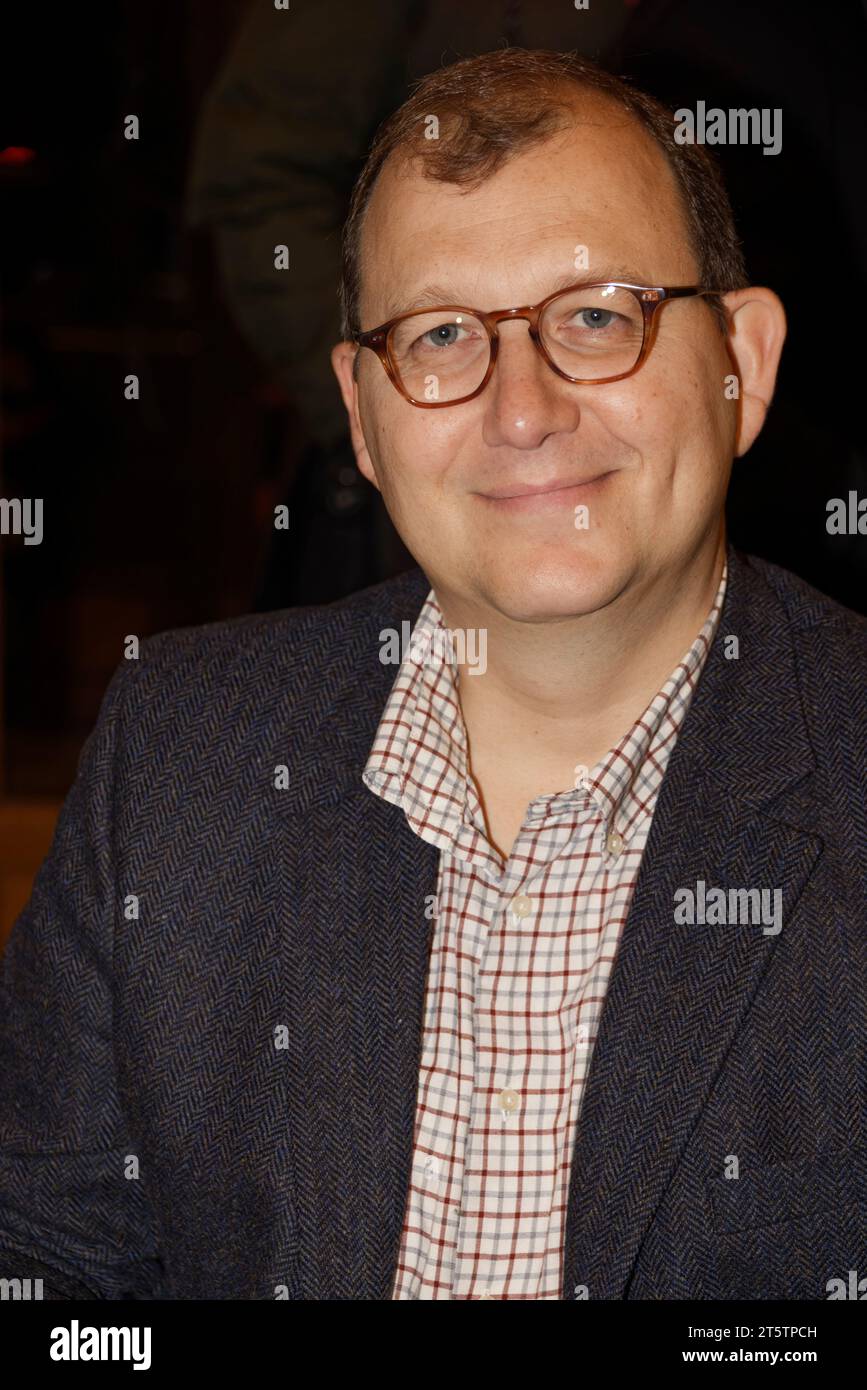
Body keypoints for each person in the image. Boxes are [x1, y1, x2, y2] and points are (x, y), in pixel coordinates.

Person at [1, 48, 865, 1302]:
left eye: (596, 316)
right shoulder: (178, 751)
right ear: (361, 411)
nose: (523, 410)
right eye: (444, 333)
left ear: (746, 361)